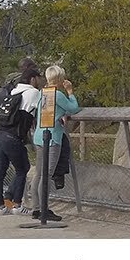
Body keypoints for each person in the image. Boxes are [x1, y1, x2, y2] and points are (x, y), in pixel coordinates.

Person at [25, 65, 82, 222]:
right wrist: (70, 91)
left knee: (38, 173)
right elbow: (74, 108)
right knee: (47, 174)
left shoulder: (41, 93)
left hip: (38, 136)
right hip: (52, 138)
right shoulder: (58, 95)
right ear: (59, 79)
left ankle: (36, 208)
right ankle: (44, 209)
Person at [0, 67, 42, 216]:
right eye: (38, 78)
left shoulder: (14, 91)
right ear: (32, 79)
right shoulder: (33, 93)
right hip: (13, 138)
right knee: (23, 169)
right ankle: (17, 204)